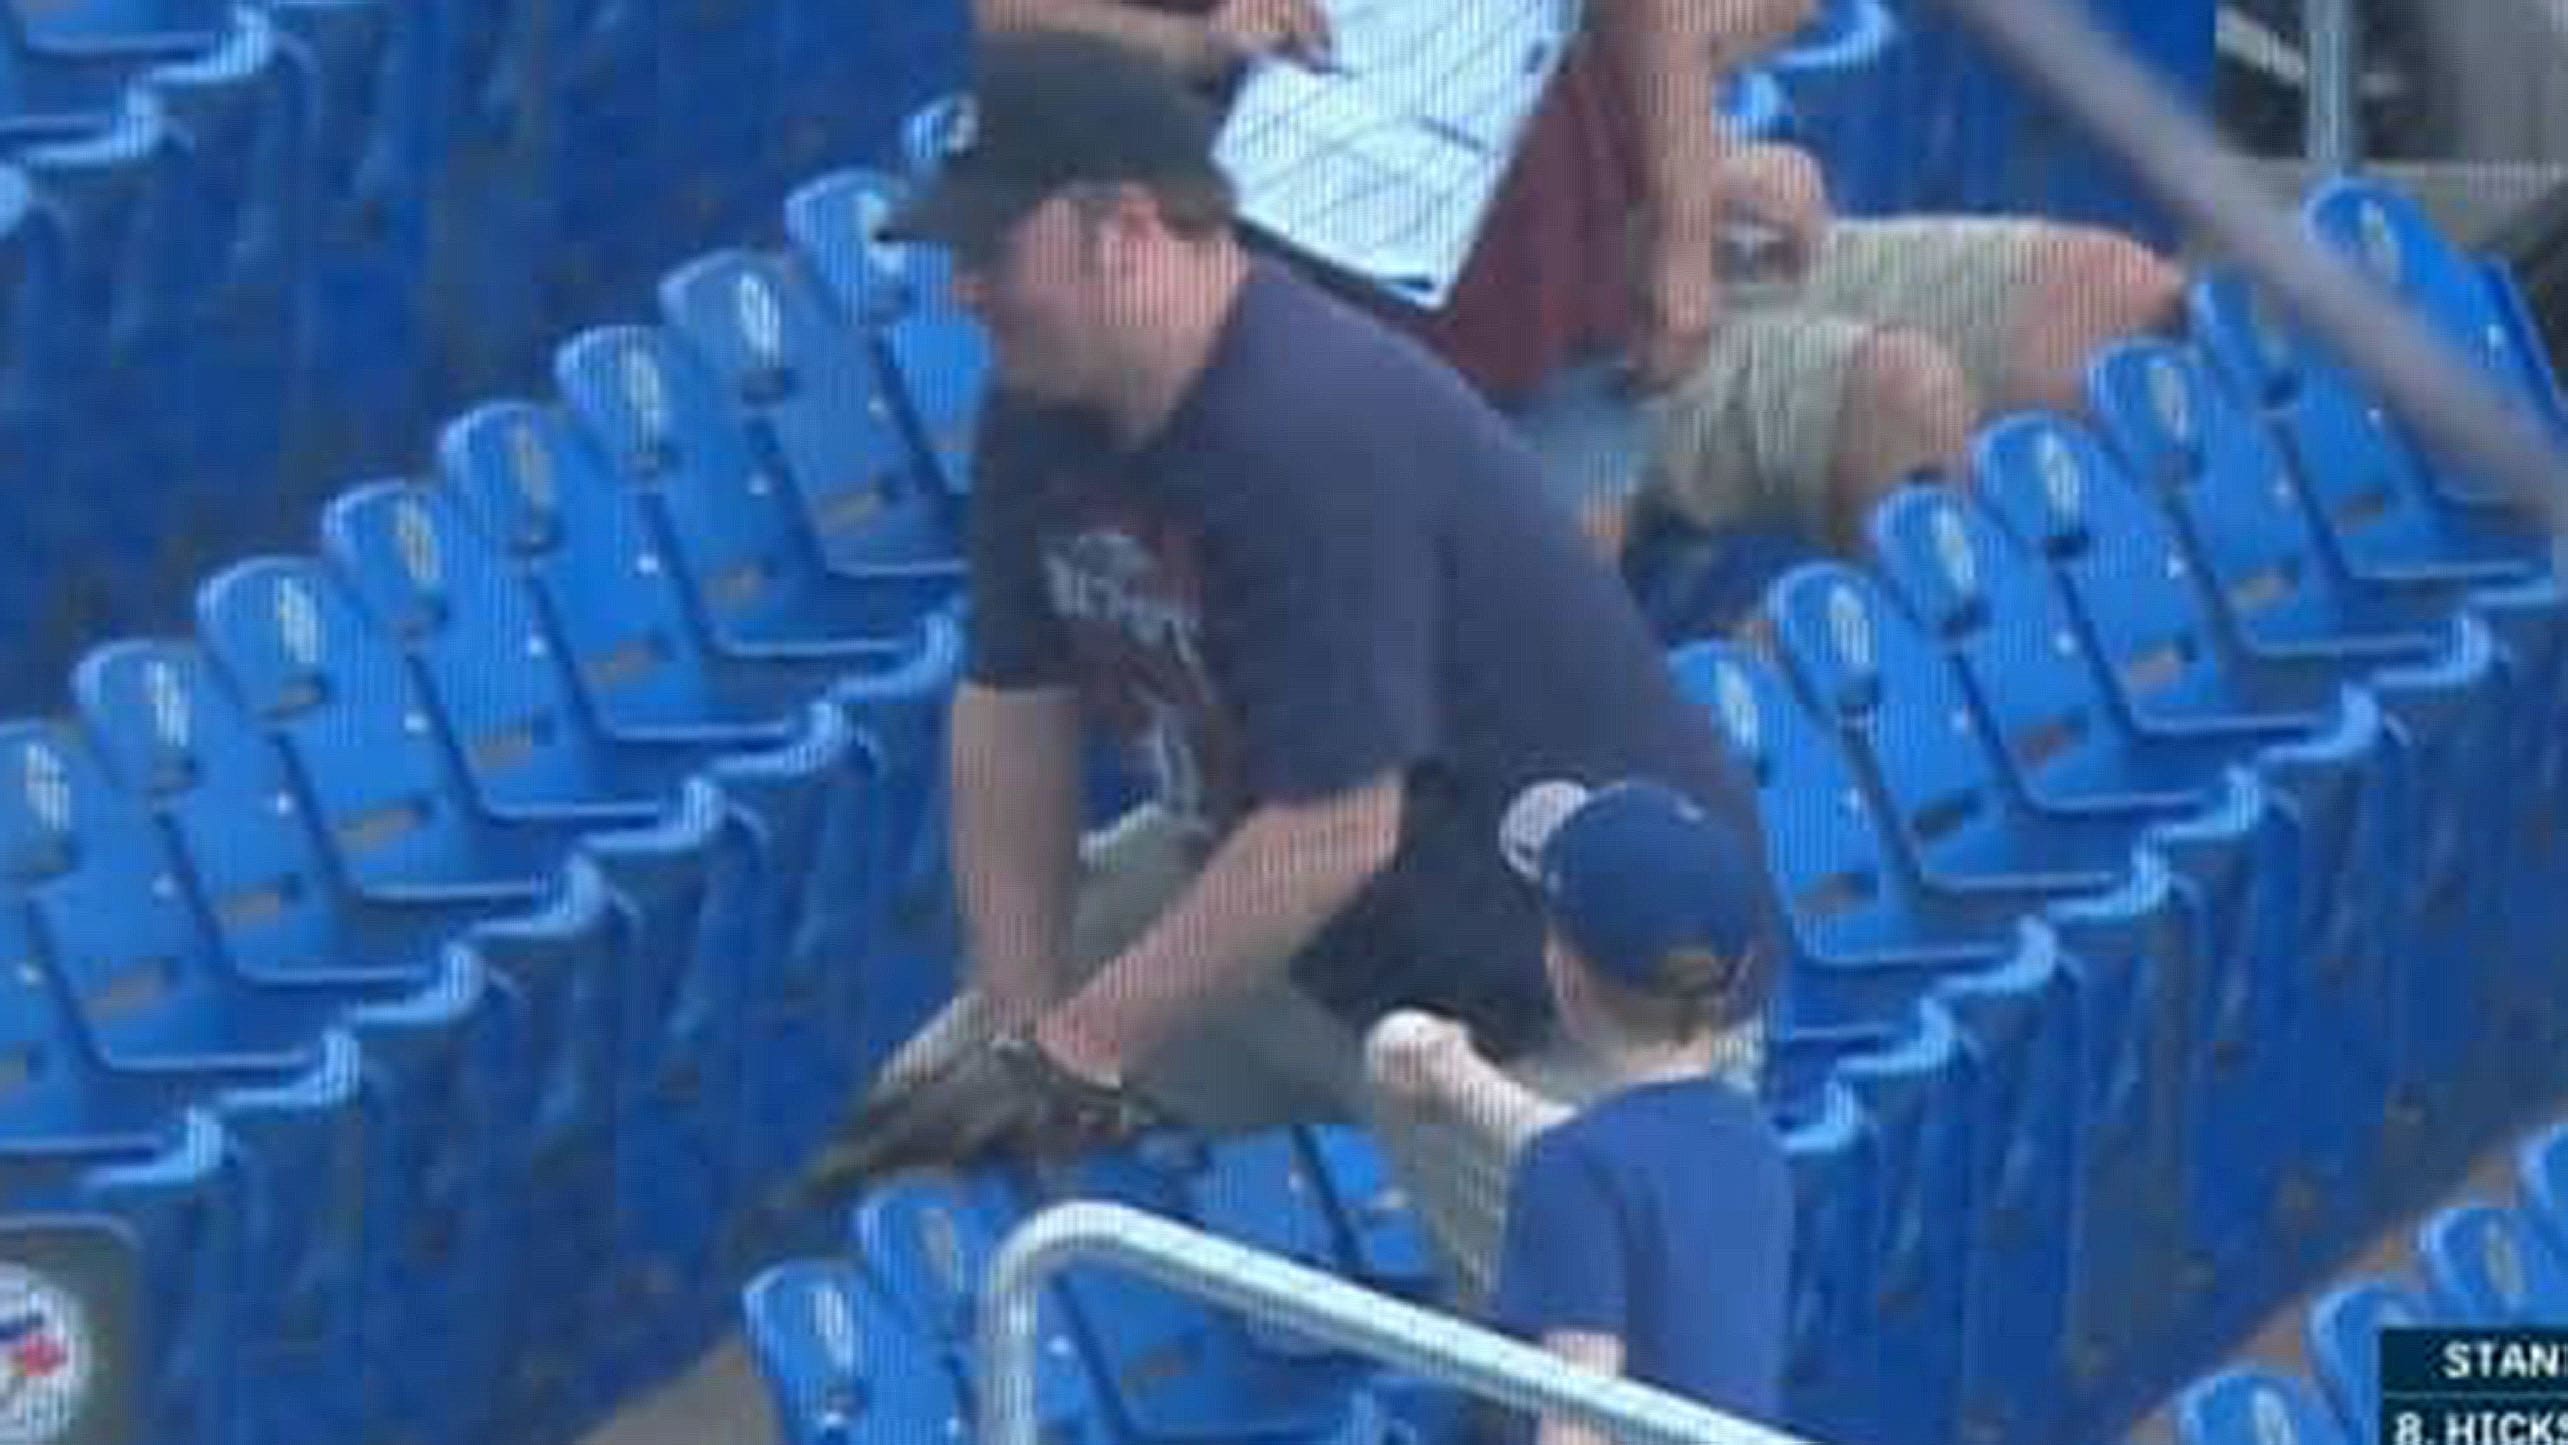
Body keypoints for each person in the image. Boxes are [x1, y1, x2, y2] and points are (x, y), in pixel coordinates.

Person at [810, 30, 1764, 1219]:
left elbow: (1333, 830)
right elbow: (1011, 705)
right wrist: (1020, 1021)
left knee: (1559, 1389)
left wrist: (1082, 1046)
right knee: (926, 1141)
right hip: (1307, 927)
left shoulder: (1307, 425)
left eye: (992, 248)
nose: (963, 287)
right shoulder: (1045, 400)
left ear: (1122, 230)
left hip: (1563, 1005)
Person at [970, 0, 2187, 577]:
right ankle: (1779, 836)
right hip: (1449, 355)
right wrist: (1201, 38)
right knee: (1901, 402)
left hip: (1637, 253)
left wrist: (1691, 188)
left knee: (2108, 299)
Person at [1366, 777, 1792, 1437]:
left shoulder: (1573, 1171)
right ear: (1737, 976)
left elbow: (1580, 1418)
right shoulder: (1745, 1133)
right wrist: (1458, 1077)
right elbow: (1617, 1161)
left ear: (1563, 976)